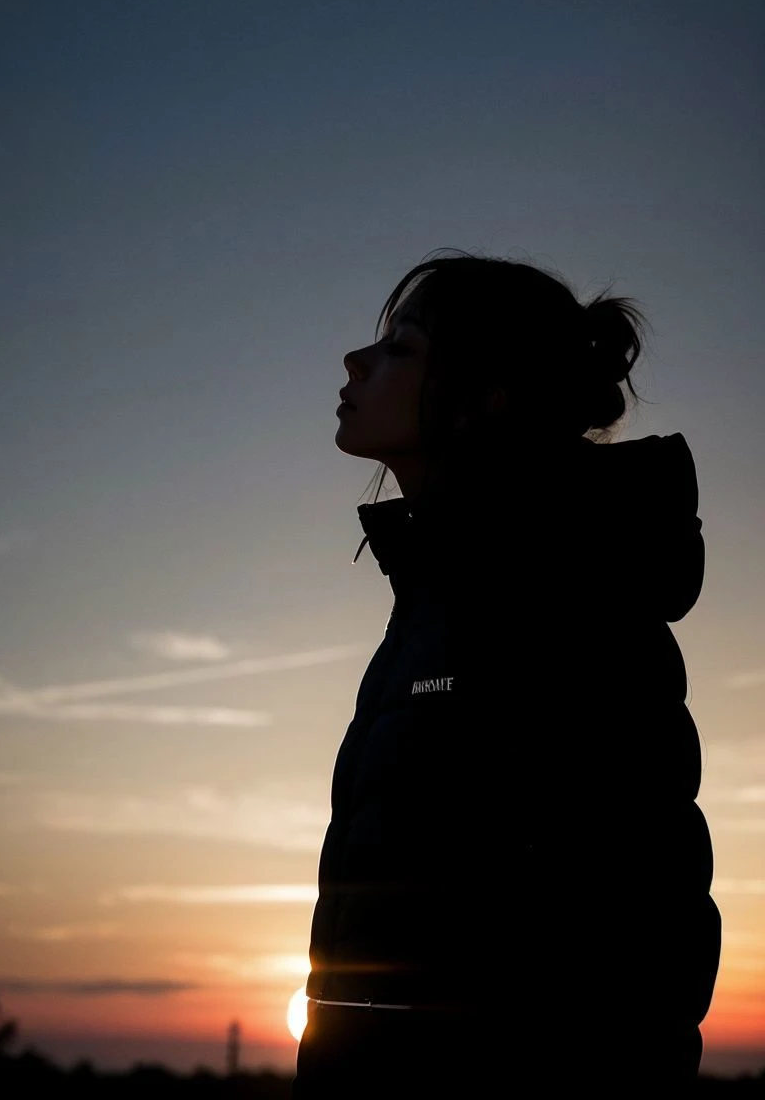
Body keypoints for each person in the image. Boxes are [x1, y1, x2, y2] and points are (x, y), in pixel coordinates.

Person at [293, 251, 721, 1099]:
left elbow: (625, 919)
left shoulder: (558, 591)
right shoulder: (443, 593)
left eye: (401, 349)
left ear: (489, 395)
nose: (356, 362)